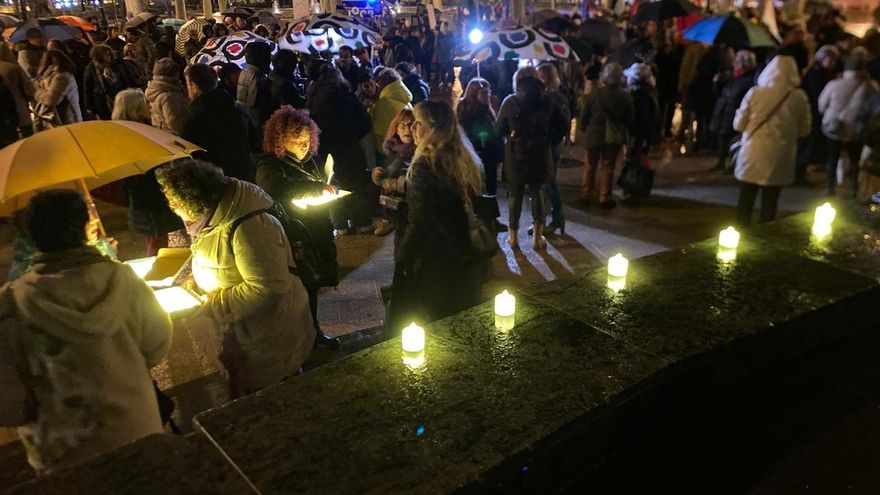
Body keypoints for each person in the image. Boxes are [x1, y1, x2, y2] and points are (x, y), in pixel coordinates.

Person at [0, 190, 171, 473]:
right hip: (138, 430)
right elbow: (156, 345)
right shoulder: (124, 280)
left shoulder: (12, 304)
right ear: (84, 228)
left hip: (65, 454)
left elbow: (10, 404)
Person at [156, 159, 315, 398]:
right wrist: (197, 284)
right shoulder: (216, 217)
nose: (175, 210)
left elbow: (268, 286)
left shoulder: (249, 227)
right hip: (246, 333)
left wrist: (216, 302)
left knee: (277, 402)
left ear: (194, 201)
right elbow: (223, 262)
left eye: (176, 205)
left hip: (270, 337)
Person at [387, 100, 484, 334]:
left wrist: (403, 256)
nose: (413, 128)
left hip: (434, 255)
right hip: (461, 249)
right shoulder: (460, 159)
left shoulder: (424, 165)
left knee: (427, 320)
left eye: (418, 123)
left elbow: (421, 221)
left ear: (434, 129)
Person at [256, 107, 341, 348]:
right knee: (296, 287)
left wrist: (333, 185)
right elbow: (276, 189)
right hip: (292, 235)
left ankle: (313, 333)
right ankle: (295, 337)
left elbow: (329, 180)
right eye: (297, 140)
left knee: (312, 285)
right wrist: (317, 189)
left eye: (307, 140)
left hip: (316, 230)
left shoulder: (311, 160)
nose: (304, 145)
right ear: (280, 140)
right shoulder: (270, 164)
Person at [733, 55, 811, 225]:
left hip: (753, 153)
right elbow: (804, 130)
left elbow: (738, 124)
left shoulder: (755, 93)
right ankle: (765, 234)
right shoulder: (799, 97)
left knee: (746, 198)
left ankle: (742, 231)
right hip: (780, 156)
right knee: (770, 201)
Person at [496, 68, 567, 249]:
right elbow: (562, 126)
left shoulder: (510, 101)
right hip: (540, 152)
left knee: (515, 193)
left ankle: (513, 237)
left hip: (516, 153)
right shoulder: (548, 100)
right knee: (537, 191)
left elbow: (498, 129)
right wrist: (548, 140)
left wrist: (510, 136)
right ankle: (537, 237)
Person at [112, 89, 185, 256]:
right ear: (136, 109)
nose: (150, 107)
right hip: (150, 195)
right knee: (157, 241)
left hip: (142, 196)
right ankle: (161, 269)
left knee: (155, 238)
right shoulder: (140, 132)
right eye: (145, 103)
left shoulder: (120, 133)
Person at [305, 68, 374, 233]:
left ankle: (340, 224)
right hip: (350, 150)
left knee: (332, 185)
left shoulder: (313, 100)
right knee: (356, 186)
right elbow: (363, 126)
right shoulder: (348, 98)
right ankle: (362, 223)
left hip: (325, 152)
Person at [819, 48, 878, 198]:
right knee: (854, 160)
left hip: (834, 127)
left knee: (832, 158)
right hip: (857, 129)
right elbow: (874, 108)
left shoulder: (834, 84)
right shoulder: (870, 87)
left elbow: (822, 105)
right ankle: (853, 189)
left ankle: (830, 188)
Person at [181, 63, 255, 182]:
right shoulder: (237, 108)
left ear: (193, 85)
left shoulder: (194, 117)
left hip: (215, 179)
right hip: (245, 175)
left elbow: (190, 153)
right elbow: (254, 141)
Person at [580, 63, 634, 209]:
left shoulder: (595, 94)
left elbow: (585, 115)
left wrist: (584, 127)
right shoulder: (625, 96)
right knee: (608, 167)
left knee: (590, 166)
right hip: (613, 135)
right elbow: (629, 118)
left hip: (594, 134)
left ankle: (586, 194)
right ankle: (604, 197)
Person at [796, 45, 840, 185]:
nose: (833, 63)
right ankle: (798, 174)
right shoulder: (816, 74)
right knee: (806, 144)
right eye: (830, 60)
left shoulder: (821, 72)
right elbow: (817, 95)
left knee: (807, 144)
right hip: (812, 113)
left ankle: (800, 173)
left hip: (814, 113)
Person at [536, 63, 571, 233]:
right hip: (557, 143)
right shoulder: (561, 97)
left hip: (548, 143)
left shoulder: (546, 99)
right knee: (549, 180)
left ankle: (556, 219)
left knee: (548, 181)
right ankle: (545, 219)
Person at [709, 50, 756, 172]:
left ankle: (732, 164)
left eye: (737, 61)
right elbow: (721, 94)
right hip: (725, 112)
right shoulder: (732, 76)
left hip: (734, 113)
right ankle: (721, 162)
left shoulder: (748, 80)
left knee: (733, 140)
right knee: (722, 138)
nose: (734, 63)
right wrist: (716, 83)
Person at [372, 108, 416, 237]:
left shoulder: (418, 152)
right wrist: (377, 174)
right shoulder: (393, 151)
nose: (407, 130)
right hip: (394, 209)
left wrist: (393, 184)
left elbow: (417, 180)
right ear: (396, 129)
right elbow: (385, 177)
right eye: (402, 126)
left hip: (411, 208)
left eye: (411, 125)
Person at [458, 78, 503, 198]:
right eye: (483, 93)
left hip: (489, 153)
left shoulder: (487, 109)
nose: (487, 96)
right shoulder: (465, 108)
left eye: (488, 92)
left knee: (490, 185)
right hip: (475, 152)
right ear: (473, 93)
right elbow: (464, 130)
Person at [82, 44, 133, 121]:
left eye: (108, 54)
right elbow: (87, 88)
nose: (108, 56)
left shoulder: (115, 64)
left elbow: (124, 79)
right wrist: (89, 107)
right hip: (102, 101)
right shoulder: (91, 68)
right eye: (105, 54)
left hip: (118, 96)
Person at [33, 50, 82, 129]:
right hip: (56, 119)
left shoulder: (61, 77)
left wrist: (38, 93)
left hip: (65, 119)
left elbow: (52, 99)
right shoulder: (51, 75)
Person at [371, 68, 413, 158]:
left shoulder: (383, 103)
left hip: (389, 151)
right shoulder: (404, 98)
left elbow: (378, 133)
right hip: (407, 147)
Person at [145, 57, 189, 134]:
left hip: (161, 133)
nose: (178, 74)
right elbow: (173, 122)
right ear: (168, 76)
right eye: (175, 72)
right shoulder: (168, 96)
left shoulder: (157, 90)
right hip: (173, 135)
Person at [0, 43, 35, 138]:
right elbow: (27, 86)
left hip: (3, 109)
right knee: (27, 132)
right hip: (18, 102)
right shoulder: (14, 67)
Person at [236, 41, 272, 126]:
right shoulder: (258, 76)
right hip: (255, 120)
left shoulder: (245, 70)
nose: (270, 59)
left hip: (244, 117)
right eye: (268, 55)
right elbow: (254, 102)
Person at [435, 22, 456, 87]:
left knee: (450, 69)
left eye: (446, 27)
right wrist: (438, 52)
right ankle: (442, 81)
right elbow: (437, 44)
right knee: (442, 69)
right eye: (444, 27)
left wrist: (453, 51)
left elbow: (454, 44)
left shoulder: (451, 35)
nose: (445, 28)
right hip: (442, 55)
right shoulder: (440, 35)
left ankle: (450, 81)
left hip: (449, 54)